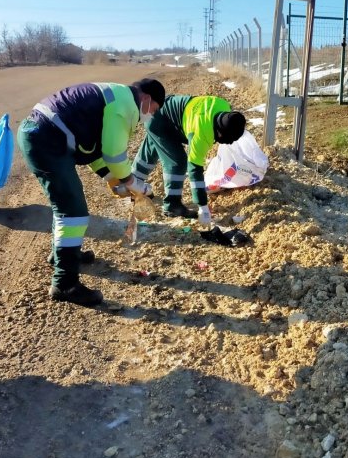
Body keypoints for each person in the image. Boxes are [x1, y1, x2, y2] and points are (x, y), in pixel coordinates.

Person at [17, 78, 165, 307]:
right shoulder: (127, 104)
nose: (149, 115)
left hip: (41, 133)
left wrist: (111, 179)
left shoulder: (116, 96)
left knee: (65, 205)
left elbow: (93, 149)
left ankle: (63, 256)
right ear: (146, 98)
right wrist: (135, 185)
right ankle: (65, 283)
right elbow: (115, 154)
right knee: (73, 212)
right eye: (153, 109)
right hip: (46, 139)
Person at [131, 95, 246, 224]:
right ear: (219, 131)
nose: (227, 143)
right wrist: (202, 206)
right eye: (225, 139)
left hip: (162, 111)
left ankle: (132, 183)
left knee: (152, 146)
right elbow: (194, 169)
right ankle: (172, 205)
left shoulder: (224, 106)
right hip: (159, 119)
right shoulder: (201, 133)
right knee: (177, 162)